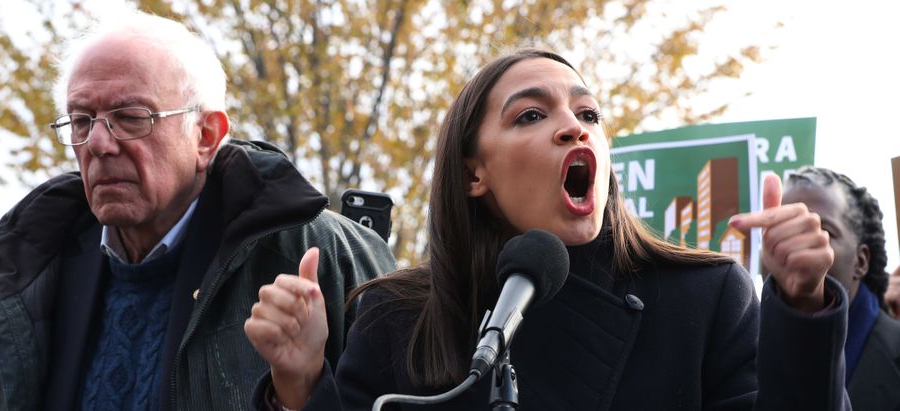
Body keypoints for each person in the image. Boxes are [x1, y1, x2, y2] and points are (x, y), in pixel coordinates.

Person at [244, 48, 851, 410]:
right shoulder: (395, 318)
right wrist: (300, 385)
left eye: (588, 113)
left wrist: (802, 306)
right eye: (532, 115)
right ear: (473, 173)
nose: (573, 127)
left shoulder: (705, 297)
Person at [0, 9, 395, 411]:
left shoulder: (314, 254)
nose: (98, 143)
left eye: (132, 117)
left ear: (206, 136)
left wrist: (302, 391)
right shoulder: (25, 270)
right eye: (81, 120)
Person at [781, 167, 900, 410]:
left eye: (823, 232)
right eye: (783, 231)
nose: (799, 247)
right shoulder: (740, 353)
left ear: (861, 261)